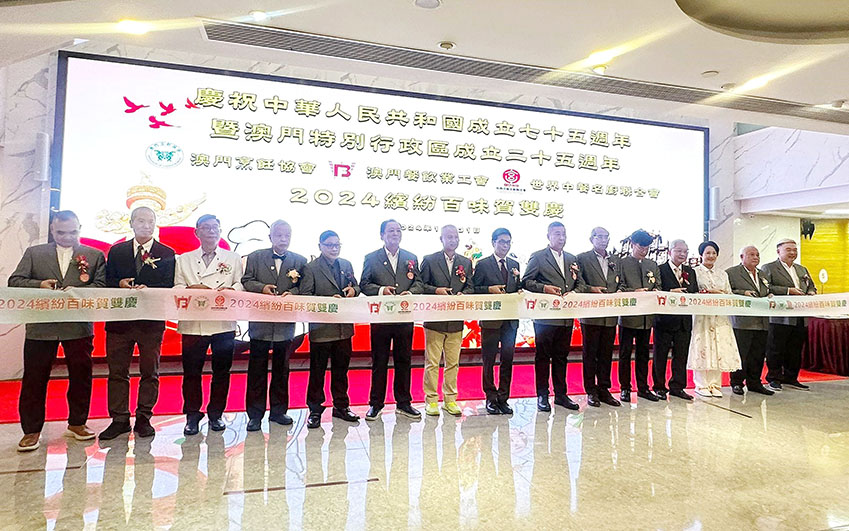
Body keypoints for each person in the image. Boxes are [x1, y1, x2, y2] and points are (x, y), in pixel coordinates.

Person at [8, 210, 106, 451]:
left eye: (73, 232)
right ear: (52, 230)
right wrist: (39, 284)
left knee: (81, 376)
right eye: (61, 232)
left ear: (80, 229)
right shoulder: (35, 253)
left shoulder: (94, 255)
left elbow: (101, 286)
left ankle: (77, 423)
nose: (67, 237)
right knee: (34, 378)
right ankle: (31, 431)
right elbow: (15, 281)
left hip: (78, 325)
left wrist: (77, 292)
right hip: (41, 326)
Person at [99, 206, 176, 440]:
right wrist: (120, 284)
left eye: (150, 221)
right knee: (117, 372)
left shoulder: (167, 252)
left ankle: (144, 417)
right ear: (131, 223)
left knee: (150, 371)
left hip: (150, 323)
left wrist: (149, 289)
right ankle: (119, 419)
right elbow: (106, 281)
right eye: (141, 221)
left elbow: (169, 285)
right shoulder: (117, 251)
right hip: (120, 321)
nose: (146, 225)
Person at [174, 214, 243, 436]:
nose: (211, 231)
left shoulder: (233, 258)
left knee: (221, 372)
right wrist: (192, 290)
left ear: (220, 231)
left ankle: (216, 414)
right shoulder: (183, 259)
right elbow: (176, 287)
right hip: (193, 323)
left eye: (215, 227)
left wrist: (231, 291)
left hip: (223, 322)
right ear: (197, 232)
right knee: (191, 372)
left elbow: (240, 284)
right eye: (206, 227)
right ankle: (192, 415)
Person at [241, 220, 308, 431]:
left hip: (285, 325)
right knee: (256, 370)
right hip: (260, 323)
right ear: (270, 237)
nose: (283, 239)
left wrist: (292, 293)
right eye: (279, 235)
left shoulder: (300, 260)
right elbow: (246, 280)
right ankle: (254, 415)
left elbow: (304, 287)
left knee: (282, 370)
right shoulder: (255, 257)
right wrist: (262, 288)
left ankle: (279, 411)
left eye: (287, 235)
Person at [360, 219, 423, 421]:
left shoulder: (411, 257)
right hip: (381, 319)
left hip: (405, 317)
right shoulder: (371, 258)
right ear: (382, 235)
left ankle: (404, 403)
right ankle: (376, 404)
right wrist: (381, 290)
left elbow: (419, 283)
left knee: (404, 360)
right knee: (379, 361)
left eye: (398, 230)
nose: (395, 234)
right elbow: (364, 284)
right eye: (391, 231)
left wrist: (410, 293)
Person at [522, 221, 586, 412]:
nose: (561, 237)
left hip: (566, 317)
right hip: (545, 317)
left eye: (564, 234)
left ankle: (561, 394)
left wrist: (574, 293)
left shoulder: (572, 258)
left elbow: (581, 283)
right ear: (548, 236)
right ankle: (542, 395)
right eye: (557, 234)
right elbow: (526, 281)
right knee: (543, 357)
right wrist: (544, 288)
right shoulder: (538, 257)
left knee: (561, 357)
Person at [299, 230, 360, 429]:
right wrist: (327, 302)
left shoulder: (346, 264)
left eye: (337, 245)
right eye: (330, 245)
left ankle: (341, 406)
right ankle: (315, 410)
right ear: (320, 246)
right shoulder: (311, 268)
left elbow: (357, 287)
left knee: (341, 370)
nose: (334, 249)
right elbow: (305, 296)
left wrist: (353, 290)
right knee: (317, 372)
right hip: (322, 329)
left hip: (344, 328)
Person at [419, 225, 474, 417]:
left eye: (455, 237)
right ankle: (431, 400)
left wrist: (463, 295)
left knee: (453, 363)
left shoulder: (465, 262)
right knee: (432, 363)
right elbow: (421, 285)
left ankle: (450, 399)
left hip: (456, 320)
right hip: (435, 320)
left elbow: (470, 287)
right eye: (449, 237)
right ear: (441, 239)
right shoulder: (429, 260)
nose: (453, 240)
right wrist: (436, 291)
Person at [472, 228, 521, 415]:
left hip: (510, 321)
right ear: (493, 243)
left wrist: (520, 291)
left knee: (507, 360)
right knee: (489, 360)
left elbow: (517, 287)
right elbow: (474, 289)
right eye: (501, 242)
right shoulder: (483, 264)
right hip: (491, 320)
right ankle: (490, 397)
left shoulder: (514, 264)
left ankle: (503, 397)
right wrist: (488, 289)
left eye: (508, 242)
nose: (505, 246)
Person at [760, 239, 817, 392]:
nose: (792, 253)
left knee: (795, 349)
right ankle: (774, 378)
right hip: (780, 316)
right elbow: (765, 288)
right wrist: (788, 291)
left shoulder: (801, 269)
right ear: (778, 252)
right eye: (788, 250)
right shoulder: (769, 268)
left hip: (800, 316)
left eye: (794, 250)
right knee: (776, 348)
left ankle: (791, 377)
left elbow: (811, 286)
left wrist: (811, 292)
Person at [688, 241, 741, 397]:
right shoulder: (695, 272)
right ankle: (701, 385)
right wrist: (709, 292)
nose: (711, 256)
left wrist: (721, 294)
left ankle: (715, 384)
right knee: (703, 346)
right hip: (702, 316)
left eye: (713, 253)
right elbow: (693, 293)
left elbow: (729, 293)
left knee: (718, 347)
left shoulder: (722, 274)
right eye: (707, 253)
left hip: (720, 315)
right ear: (701, 255)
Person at [575, 227, 621, 407]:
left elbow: (621, 282)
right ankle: (591, 390)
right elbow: (578, 283)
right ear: (591, 239)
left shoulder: (615, 259)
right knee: (590, 353)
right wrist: (591, 289)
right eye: (599, 237)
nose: (603, 240)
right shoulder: (582, 258)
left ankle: (604, 388)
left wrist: (620, 292)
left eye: (606, 237)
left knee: (606, 353)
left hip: (610, 314)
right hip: (591, 314)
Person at [618, 229, 662, 402]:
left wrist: (655, 291)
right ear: (632, 244)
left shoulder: (652, 264)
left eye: (647, 247)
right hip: (628, 317)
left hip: (646, 318)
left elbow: (658, 285)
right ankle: (625, 388)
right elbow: (619, 287)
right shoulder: (622, 263)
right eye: (641, 247)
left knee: (643, 354)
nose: (644, 250)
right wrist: (634, 292)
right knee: (625, 353)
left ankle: (643, 388)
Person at [653, 239, 698, 401]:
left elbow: (694, 291)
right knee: (660, 356)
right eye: (679, 251)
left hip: (684, 321)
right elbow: (656, 291)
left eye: (685, 251)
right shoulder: (660, 269)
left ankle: (677, 387)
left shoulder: (690, 271)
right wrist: (670, 292)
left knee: (681, 356)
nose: (682, 254)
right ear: (669, 252)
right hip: (664, 320)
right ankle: (659, 387)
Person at [726, 246, 774, 396]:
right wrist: (743, 293)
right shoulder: (732, 273)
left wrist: (769, 295)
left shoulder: (762, 274)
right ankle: (737, 382)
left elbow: (766, 290)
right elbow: (727, 292)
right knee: (742, 353)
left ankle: (755, 382)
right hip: (743, 321)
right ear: (742, 257)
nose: (755, 257)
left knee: (758, 354)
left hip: (762, 320)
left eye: (757, 255)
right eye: (751, 254)